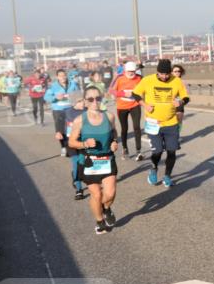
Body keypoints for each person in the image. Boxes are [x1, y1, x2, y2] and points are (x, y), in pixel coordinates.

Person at [68, 87, 119, 234]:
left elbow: (114, 132)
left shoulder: (109, 116)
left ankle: (106, 208)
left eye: (98, 98)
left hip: (107, 158)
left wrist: (114, 142)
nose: (95, 102)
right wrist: (85, 144)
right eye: (91, 99)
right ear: (85, 102)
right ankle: (99, 221)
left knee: (110, 193)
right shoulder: (80, 120)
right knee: (96, 194)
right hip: (89, 161)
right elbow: (71, 142)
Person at [132, 58, 190, 187]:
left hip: (171, 123)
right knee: (157, 151)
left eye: (167, 74)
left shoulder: (176, 81)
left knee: (171, 151)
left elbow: (186, 97)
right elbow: (135, 94)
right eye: (161, 74)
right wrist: (145, 105)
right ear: (157, 72)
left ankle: (167, 176)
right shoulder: (147, 80)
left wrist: (181, 102)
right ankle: (153, 169)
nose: (164, 76)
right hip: (153, 123)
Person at [110, 60, 144, 160]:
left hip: (135, 105)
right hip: (122, 106)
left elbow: (146, 88)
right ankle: (125, 148)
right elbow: (111, 90)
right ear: (125, 71)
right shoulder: (119, 78)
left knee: (137, 127)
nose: (131, 73)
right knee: (124, 128)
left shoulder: (139, 78)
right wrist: (123, 94)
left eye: (133, 71)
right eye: (129, 71)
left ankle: (139, 151)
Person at [45, 69, 81, 155]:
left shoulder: (73, 84)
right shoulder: (53, 86)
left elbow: (79, 95)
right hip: (58, 110)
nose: (63, 77)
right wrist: (56, 98)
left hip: (71, 109)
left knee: (72, 129)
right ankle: (63, 147)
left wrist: (77, 101)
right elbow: (46, 97)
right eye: (60, 76)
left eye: (64, 75)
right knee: (61, 130)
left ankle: (73, 145)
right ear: (57, 77)